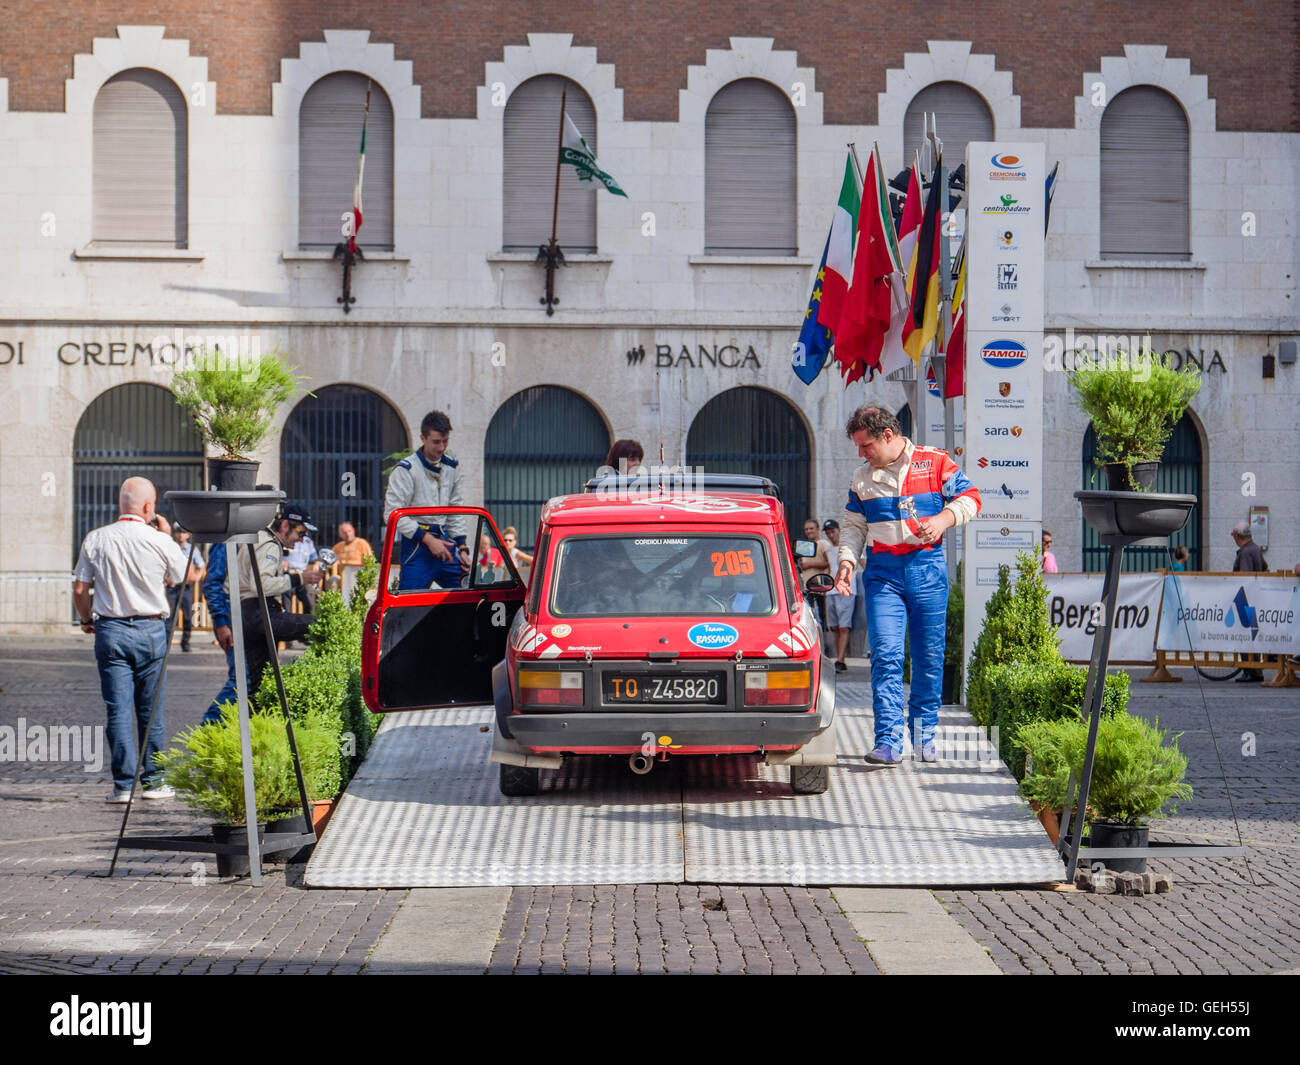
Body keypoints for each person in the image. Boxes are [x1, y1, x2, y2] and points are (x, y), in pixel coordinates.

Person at [834, 405, 981, 765]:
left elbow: (971, 497)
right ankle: (887, 741)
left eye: (865, 445)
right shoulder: (861, 478)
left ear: (887, 436)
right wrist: (846, 562)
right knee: (885, 655)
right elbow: (853, 526)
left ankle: (924, 736)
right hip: (883, 572)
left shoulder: (934, 462)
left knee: (929, 658)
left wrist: (945, 518)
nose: (861, 453)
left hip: (927, 567)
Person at [72, 477, 190, 802]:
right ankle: (153, 782)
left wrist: (85, 620)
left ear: (120, 503)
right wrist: (167, 538)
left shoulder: (96, 538)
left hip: (110, 629)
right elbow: (187, 575)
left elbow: (80, 588)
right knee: (150, 710)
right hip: (151, 630)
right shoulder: (159, 540)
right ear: (150, 508)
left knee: (118, 709)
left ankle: (123, 786)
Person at [237, 502, 323, 698]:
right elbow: (261, 585)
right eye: (300, 533)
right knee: (318, 625)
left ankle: (255, 724)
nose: (301, 540)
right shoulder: (269, 544)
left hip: (250, 614)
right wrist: (299, 578)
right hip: (258, 613)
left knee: (261, 685)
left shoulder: (261, 539)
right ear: (285, 526)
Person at [383, 410, 471, 590]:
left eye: (445, 441)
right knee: (409, 606)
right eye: (436, 442)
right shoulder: (406, 469)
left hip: (445, 542)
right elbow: (392, 514)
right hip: (417, 546)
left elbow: (455, 508)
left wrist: (462, 547)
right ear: (423, 438)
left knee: (468, 593)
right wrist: (428, 540)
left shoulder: (451, 466)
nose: (441, 447)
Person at [1231, 521, 1267, 683]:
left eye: (1234, 536)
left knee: (1244, 635)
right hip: (1256, 598)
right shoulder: (1256, 549)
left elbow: (1243, 577)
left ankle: (1249, 669)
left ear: (1238, 536)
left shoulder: (1245, 553)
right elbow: (1266, 569)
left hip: (1246, 600)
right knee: (1253, 634)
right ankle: (1256, 670)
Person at [822, 520, 857, 673]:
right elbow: (828, 568)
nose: (831, 535)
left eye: (833, 531)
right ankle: (838, 657)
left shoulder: (851, 548)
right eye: (828, 533)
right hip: (831, 591)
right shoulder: (828, 551)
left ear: (839, 530)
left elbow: (863, 563)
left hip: (847, 590)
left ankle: (841, 659)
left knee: (844, 627)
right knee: (835, 627)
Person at [166, 525, 205, 651]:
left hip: (186, 586)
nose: (181, 535)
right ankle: (166, 644)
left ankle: (185, 642)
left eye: (183, 532)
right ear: (175, 534)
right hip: (172, 587)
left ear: (188, 535)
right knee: (170, 617)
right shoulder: (170, 548)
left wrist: (197, 577)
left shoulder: (192, 549)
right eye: (178, 532)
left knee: (188, 617)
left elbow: (201, 565)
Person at [798, 518, 833, 634]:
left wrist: (811, 564)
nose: (808, 531)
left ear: (818, 529)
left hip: (820, 589)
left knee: (820, 621)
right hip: (806, 589)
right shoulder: (804, 546)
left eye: (811, 528)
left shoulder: (823, 544)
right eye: (806, 529)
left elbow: (830, 563)